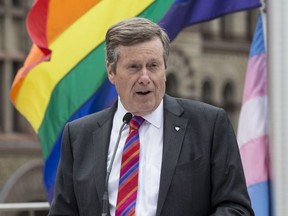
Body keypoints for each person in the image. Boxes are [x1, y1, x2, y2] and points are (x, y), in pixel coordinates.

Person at [49, 17, 254, 216]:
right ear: (111, 72)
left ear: (164, 69)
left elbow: (236, 208)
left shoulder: (209, 126)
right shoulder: (79, 136)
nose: (145, 78)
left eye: (153, 66)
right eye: (134, 67)